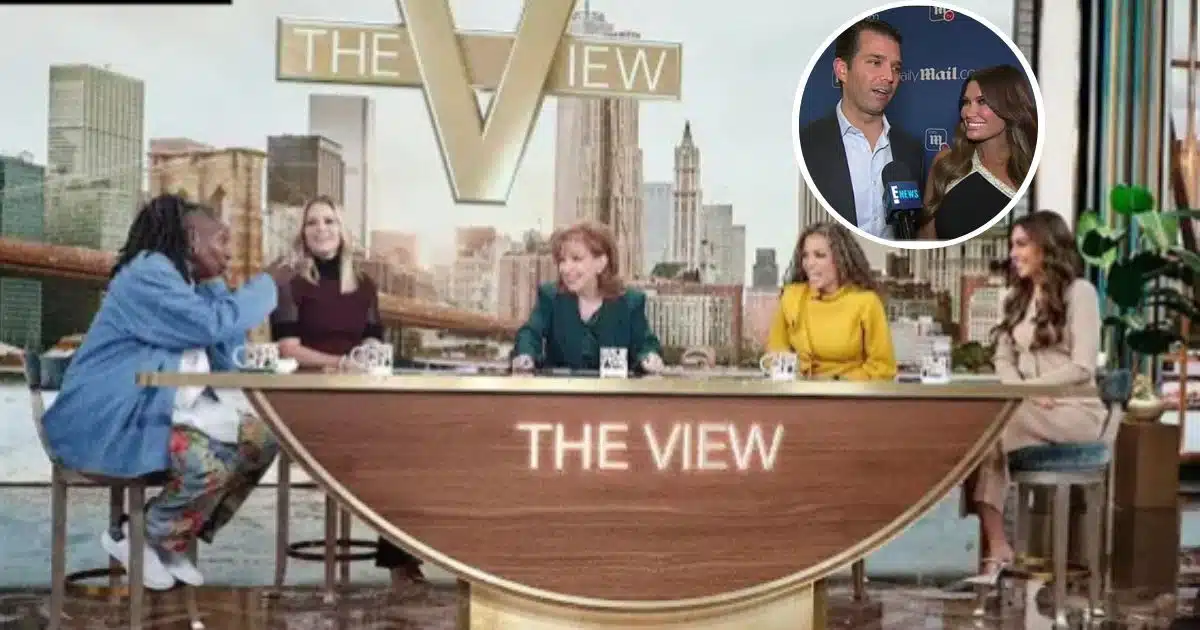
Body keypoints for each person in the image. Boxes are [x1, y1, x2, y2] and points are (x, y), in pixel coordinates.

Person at [41, 194, 282, 590]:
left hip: (154, 408)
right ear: (191, 240)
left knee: (263, 439)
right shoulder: (148, 272)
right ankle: (137, 537)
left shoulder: (187, 283)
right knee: (204, 461)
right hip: (110, 418)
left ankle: (169, 539)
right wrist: (268, 286)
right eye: (222, 240)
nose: (229, 253)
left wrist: (215, 285)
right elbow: (208, 326)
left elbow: (228, 359)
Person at [267, 195, 427, 588]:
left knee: (409, 444)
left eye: (329, 221)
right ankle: (399, 563)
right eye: (312, 223)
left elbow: (373, 335)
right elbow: (287, 349)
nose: (321, 229)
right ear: (302, 233)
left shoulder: (364, 284)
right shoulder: (288, 281)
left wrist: (369, 352)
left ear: (342, 231)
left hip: (357, 394)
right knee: (387, 444)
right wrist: (340, 363)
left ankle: (399, 560)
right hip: (309, 399)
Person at [964, 211, 1105, 584]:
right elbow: (1002, 360)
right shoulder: (1017, 298)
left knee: (987, 428)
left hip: (1076, 412)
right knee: (983, 431)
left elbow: (1082, 366)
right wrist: (1021, 393)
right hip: (1030, 409)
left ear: (1047, 247)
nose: (1013, 253)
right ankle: (998, 546)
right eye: (1013, 245)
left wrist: (1036, 390)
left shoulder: (1080, 294)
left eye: (1022, 244)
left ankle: (997, 551)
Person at [798, 19, 926, 240]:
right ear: (842, 70)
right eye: (876, 62)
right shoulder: (805, 146)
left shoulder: (911, 151)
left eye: (896, 68)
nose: (889, 77)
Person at [511, 221, 664, 375]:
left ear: (601, 263)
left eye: (576, 259)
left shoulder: (630, 302)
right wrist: (526, 355)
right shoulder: (551, 297)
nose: (565, 268)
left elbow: (646, 344)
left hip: (613, 389)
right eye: (562, 260)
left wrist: (649, 357)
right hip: (561, 388)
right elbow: (529, 333)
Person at [919, 65, 1038, 241]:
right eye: (966, 102)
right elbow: (925, 238)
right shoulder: (946, 164)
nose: (968, 113)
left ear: (1010, 107)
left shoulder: (1033, 173)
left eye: (982, 101)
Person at [767, 221, 896, 381]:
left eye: (820, 255)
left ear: (841, 259)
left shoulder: (866, 303)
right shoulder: (791, 297)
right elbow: (775, 353)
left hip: (851, 392)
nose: (809, 264)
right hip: (798, 391)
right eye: (805, 256)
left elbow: (883, 368)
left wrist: (834, 383)